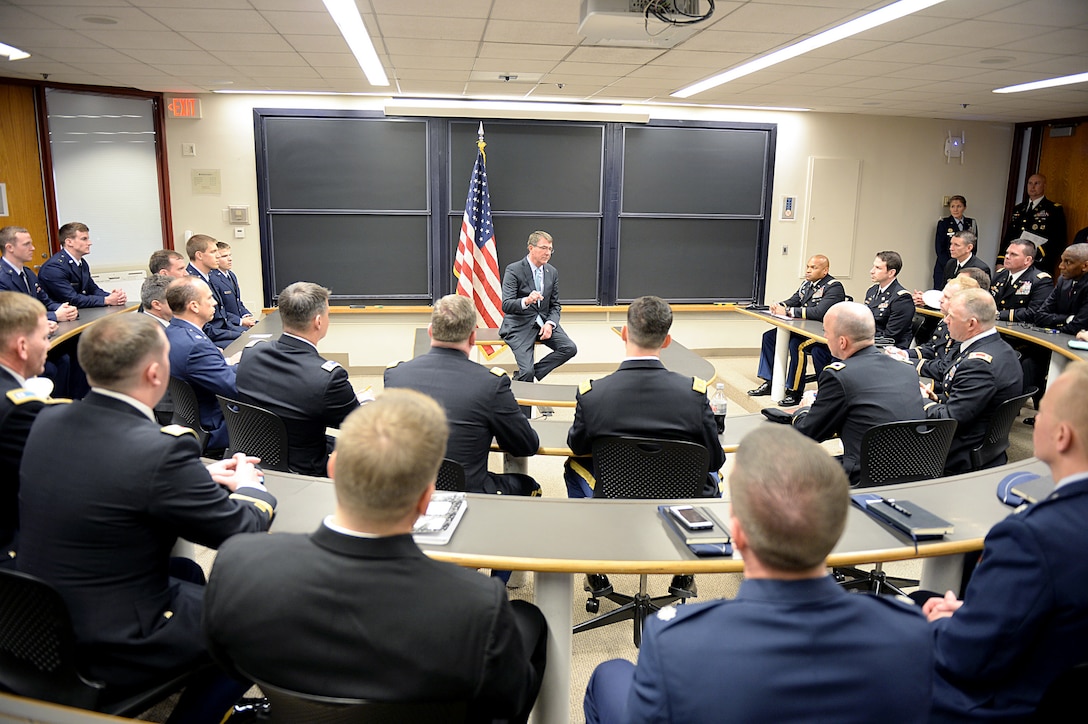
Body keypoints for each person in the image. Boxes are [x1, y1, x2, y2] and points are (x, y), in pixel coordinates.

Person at [204, 389, 547, 724]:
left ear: (332, 468)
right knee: (528, 620)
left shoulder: (238, 561)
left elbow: (230, 665)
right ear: (428, 498)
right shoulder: (477, 602)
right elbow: (508, 700)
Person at [17, 312, 275, 723]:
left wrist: (197, 473)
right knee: (257, 624)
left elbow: (106, 466)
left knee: (187, 572)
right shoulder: (159, 450)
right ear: (156, 373)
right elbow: (240, 528)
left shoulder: (48, 419)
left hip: (33, 616)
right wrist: (250, 488)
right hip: (108, 637)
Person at [583, 426, 933, 724]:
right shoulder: (910, 630)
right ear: (838, 528)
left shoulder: (675, 640)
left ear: (735, 533)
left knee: (608, 674)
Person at [922, 363, 1088, 722]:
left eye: (1041, 413)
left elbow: (963, 658)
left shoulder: (1032, 538)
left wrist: (946, 623)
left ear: (1062, 436)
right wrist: (973, 613)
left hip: (1001, 703)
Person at [566, 295, 725, 597]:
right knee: (714, 478)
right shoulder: (693, 394)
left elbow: (576, 445)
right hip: (678, 504)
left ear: (624, 334)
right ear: (667, 341)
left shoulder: (593, 394)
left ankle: (593, 562)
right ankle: (683, 571)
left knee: (573, 467)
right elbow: (715, 460)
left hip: (614, 503)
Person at [385, 293, 540, 496]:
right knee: (529, 485)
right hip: (468, 495)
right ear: (473, 338)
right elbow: (526, 445)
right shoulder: (490, 384)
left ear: (431, 332)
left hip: (408, 491)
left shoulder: (395, 376)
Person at [792, 301, 926, 484]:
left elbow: (809, 433)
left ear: (842, 342)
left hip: (863, 476)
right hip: (913, 473)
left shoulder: (839, 375)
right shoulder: (907, 369)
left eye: (826, 332)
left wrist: (804, 409)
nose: (824, 336)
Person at [236, 282, 361, 476]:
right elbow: (357, 424)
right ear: (318, 321)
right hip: (305, 469)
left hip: (256, 459)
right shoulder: (329, 378)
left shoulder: (252, 354)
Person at [923, 289, 1022, 472]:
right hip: (980, 440)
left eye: (951, 316)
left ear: (971, 324)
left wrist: (921, 400)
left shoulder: (979, 364)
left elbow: (950, 420)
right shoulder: (999, 348)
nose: (946, 320)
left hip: (959, 454)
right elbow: (970, 402)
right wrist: (936, 399)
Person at [0, 292, 63, 563]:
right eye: (45, 337)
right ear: (23, 346)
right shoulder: (18, 408)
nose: (48, 346)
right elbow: (54, 480)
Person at [746, 254, 845, 406]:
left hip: (820, 334)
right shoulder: (807, 284)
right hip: (801, 329)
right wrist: (779, 306)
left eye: (813, 267)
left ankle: (795, 391)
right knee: (769, 337)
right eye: (807, 267)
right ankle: (771, 381)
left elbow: (820, 312)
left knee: (796, 345)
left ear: (825, 271)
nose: (808, 271)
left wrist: (788, 311)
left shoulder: (834, 287)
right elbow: (793, 301)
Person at [164, 276, 237, 451]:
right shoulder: (196, 345)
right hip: (216, 426)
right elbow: (234, 388)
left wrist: (229, 364)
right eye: (210, 298)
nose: (215, 303)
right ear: (194, 306)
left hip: (191, 419)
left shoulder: (171, 332)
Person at [499, 230, 577, 389]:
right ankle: (523, 402)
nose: (547, 253)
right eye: (543, 248)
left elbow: (555, 305)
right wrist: (526, 301)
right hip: (519, 325)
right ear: (531, 248)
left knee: (569, 348)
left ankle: (524, 376)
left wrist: (550, 324)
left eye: (550, 249)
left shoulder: (552, 272)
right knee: (526, 372)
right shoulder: (514, 270)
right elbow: (506, 305)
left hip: (543, 323)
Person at [888, 278, 978, 392]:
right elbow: (932, 348)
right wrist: (904, 354)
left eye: (947, 297)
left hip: (941, 386)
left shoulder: (963, 329)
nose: (940, 300)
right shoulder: (945, 321)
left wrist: (907, 362)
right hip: (934, 377)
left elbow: (945, 368)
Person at [0, 226, 78, 324]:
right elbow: (10, 316)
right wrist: (54, 316)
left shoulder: (28, 273)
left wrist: (66, 310)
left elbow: (45, 302)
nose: (32, 248)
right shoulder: (2, 277)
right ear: (9, 248)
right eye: (26, 244)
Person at [38, 222, 127, 308]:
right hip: (61, 318)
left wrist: (114, 297)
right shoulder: (54, 267)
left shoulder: (81, 263)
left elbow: (92, 289)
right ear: (69, 242)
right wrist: (106, 300)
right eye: (84, 239)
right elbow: (71, 299)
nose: (89, 243)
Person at [185, 234, 242, 348]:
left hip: (221, 331)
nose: (217, 256)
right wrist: (239, 334)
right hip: (207, 339)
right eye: (213, 252)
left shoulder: (209, 276)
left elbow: (222, 316)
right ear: (199, 255)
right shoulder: (191, 282)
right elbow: (206, 327)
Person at [1003, 173, 1067, 275]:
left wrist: (1036, 253)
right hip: (1015, 261)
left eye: (1037, 183)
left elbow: (1058, 239)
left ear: (1044, 186)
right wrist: (1001, 259)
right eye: (1030, 183)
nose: (1032, 187)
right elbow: (1010, 235)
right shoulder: (1019, 208)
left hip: (1039, 262)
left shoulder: (1053, 209)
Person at [989, 239, 1053, 324]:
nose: (1007, 257)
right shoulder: (1000, 274)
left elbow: (1034, 312)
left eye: (1013, 254)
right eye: (1007, 253)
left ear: (1027, 260)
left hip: (1020, 329)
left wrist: (999, 315)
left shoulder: (1041, 280)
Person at [1032, 242, 1088, 335]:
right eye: (1062, 260)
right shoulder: (1063, 280)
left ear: (1085, 266)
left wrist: (1055, 323)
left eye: (1068, 262)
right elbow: (1039, 316)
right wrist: (1067, 319)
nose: (1061, 266)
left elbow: (1078, 326)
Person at [141, 275, 174, 424]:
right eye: (174, 300)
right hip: (170, 405)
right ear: (157, 304)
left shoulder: (145, 321)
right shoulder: (157, 334)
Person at [864, 251, 914, 349]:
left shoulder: (902, 298)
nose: (872, 271)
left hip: (888, 348)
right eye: (873, 266)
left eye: (878, 268)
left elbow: (890, 336)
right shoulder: (872, 291)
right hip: (871, 343)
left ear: (891, 273)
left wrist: (861, 342)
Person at [932, 195, 978, 291]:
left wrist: (966, 264)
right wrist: (951, 265)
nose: (955, 209)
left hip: (965, 266)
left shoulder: (971, 223)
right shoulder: (944, 223)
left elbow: (974, 246)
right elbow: (940, 248)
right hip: (945, 265)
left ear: (964, 207)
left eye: (959, 206)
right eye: (952, 206)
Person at [211, 241, 257, 329]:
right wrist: (240, 321)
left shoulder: (231, 275)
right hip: (228, 325)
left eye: (230, 255)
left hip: (239, 320)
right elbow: (220, 310)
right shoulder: (213, 279)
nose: (230, 259)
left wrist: (246, 315)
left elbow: (238, 301)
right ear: (216, 258)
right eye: (224, 256)